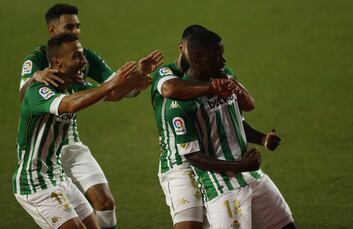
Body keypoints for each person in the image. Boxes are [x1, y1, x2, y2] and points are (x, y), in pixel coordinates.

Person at [18, 4, 163, 228]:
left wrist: (137, 74)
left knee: (104, 202)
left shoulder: (79, 68)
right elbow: (31, 98)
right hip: (37, 174)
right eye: (69, 26)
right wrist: (33, 78)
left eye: (78, 26)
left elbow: (117, 91)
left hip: (65, 149)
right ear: (52, 30)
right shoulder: (37, 63)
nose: (75, 31)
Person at [164, 30, 296, 229]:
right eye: (216, 57)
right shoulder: (180, 105)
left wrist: (262, 138)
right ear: (197, 59)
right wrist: (240, 166)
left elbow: (235, 121)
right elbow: (193, 156)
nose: (223, 60)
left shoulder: (225, 78)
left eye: (222, 54)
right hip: (223, 187)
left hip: (253, 176)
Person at [151, 25, 256, 229]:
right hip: (179, 163)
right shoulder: (167, 73)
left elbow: (241, 111)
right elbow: (170, 88)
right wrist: (211, 87)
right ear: (182, 47)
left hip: (209, 159)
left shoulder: (213, 72)